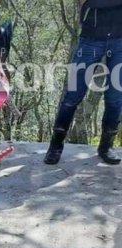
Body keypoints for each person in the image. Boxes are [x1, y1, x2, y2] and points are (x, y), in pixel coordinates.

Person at [44, 0, 122, 165]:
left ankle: (106, 147)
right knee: (73, 95)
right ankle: (55, 146)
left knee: (115, 98)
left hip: (119, 41)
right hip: (90, 40)